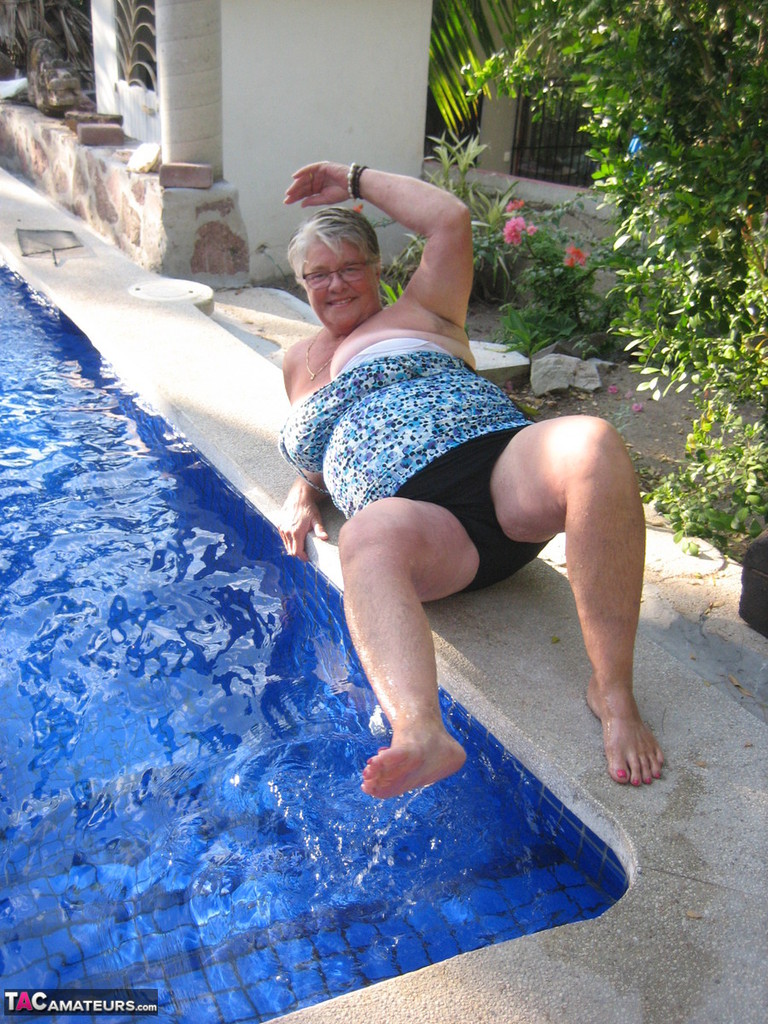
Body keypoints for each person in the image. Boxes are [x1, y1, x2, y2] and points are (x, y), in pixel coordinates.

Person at [278, 160, 664, 799]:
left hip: (508, 474)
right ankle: (420, 733)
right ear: (301, 283)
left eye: (350, 267)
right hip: (428, 530)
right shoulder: (297, 362)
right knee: (366, 534)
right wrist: (303, 491)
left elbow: (450, 220)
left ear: (378, 267)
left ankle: (614, 692)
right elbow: (314, 454)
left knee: (592, 441)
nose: (335, 283)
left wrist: (354, 178)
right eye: (318, 274)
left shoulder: (424, 308)